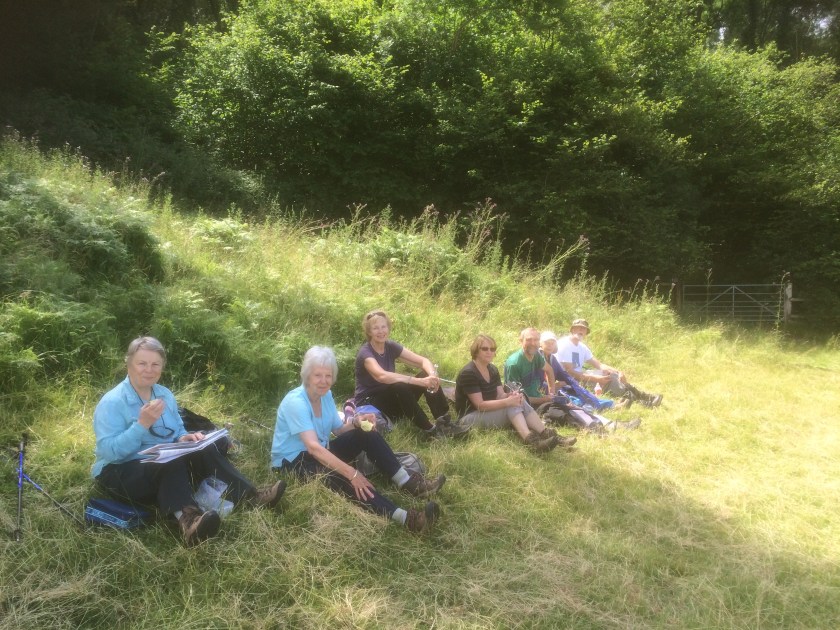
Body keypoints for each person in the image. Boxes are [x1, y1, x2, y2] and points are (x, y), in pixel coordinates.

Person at [92, 337, 285, 546]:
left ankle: (251, 496)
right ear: (129, 364)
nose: (149, 370)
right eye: (142, 363)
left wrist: (184, 438)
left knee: (204, 449)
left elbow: (177, 429)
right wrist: (141, 425)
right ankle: (189, 521)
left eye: (155, 364)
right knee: (168, 461)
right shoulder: (112, 402)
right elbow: (110, 453)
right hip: (120, 471)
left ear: (162, 366)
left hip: (160, 460)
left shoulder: (164, 394)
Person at [272, 346, 445, 533]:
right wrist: (352, 473)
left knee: (365, 433)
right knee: (340, 476)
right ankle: (407, 519)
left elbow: (338, 430)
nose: (324, 381)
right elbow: (313, 448)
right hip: (294, 462)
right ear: (307, 375)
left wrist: (356, 421)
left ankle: (408, 483)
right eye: (317, 375)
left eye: (328, 375)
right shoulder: (296, 402)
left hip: (321, 451)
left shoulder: (325, 395)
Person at [352, 309, 468, 439]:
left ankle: (444, 422)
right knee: (399, 386)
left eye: (383, 327)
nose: (381, 331)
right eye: (375, 328)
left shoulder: (390, 346)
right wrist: (418, 381)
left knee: (424, 375)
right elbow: (382, 376)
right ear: (369, 332)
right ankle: (430, 430)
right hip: (372, 404)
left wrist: (432, 376)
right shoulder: (365, 353)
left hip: (394, 400)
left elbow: (423, 361)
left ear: (388, 328)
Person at [455, 335, 576, 452]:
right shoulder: (469, 373)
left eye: (492, 349)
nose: (489, 352)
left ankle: (546, 434)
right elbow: (480, 405)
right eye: (485, 349)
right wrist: (507, 402)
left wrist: (510, 396)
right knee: (511, 405)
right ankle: (532, 442)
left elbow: (500, 395)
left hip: (488, 412)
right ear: (476, 351)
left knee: (519, 400)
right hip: (469, 418)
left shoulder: (492, 369)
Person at [554, 319, 662, 407]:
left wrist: (618, 372)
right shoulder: (565, 344)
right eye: (578, 328)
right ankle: (643, 401)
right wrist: (596, 379)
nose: (581, 330)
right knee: (607, 381)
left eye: (584, 329)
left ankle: (644, 397)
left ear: (586, 333)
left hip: (579, 376)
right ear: (572, 330)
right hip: (567, 381)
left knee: (611, 374)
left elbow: (599, 365)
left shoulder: (582, 347)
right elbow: (570, 373)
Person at [502, 327, 555, 407]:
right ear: (521, 341)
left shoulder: (536, 355)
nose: (533, 343)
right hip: (523, 406)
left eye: (536, 340)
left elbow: (549, 370)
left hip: (539, 399)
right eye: (529, 340)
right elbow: (515, 397)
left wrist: (552, 394)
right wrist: (543, 400)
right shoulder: (514, 364)